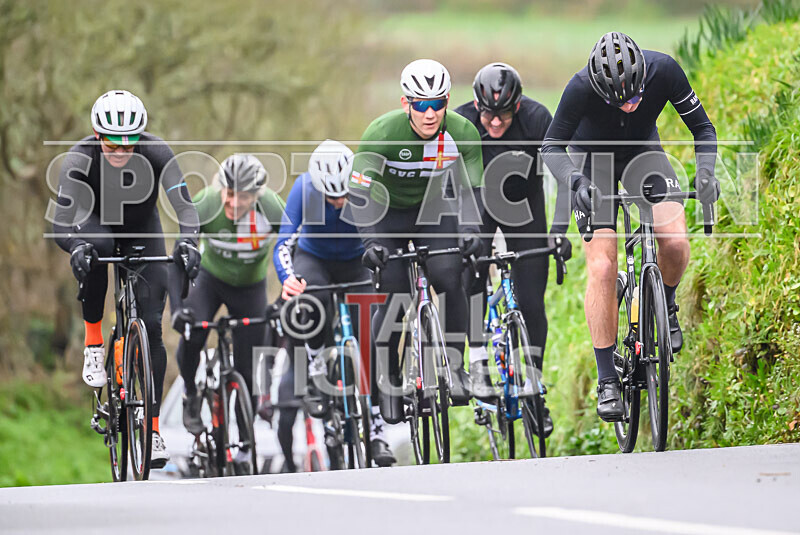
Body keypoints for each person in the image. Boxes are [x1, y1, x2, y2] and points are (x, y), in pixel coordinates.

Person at [541, 32, 719, 421]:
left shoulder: (664, 70)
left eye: (635, 96)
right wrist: (576, 182)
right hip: (592, 163)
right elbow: (551, 146)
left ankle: (666, 305)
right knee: (603, 266)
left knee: (674, 241)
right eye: (618, 100)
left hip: (643, 152)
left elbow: (703, 129)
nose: (629, 105)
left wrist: (705, 173)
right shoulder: (580, 87)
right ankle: (607, 379)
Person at [52, 90, 201, 468]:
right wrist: (76, 248)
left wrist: (189, 242)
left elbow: (185, 207)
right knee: (96, 247)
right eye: (112, 144)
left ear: (140, 137)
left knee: (151, 326)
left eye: (128, 143)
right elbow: (59, 223)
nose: (120, 150)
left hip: (141, 230)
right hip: (96, 224)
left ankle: (151, 429)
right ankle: (94, 341)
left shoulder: (157, 152)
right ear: (96, 135)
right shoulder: (80, 157)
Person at [347, 59, 484, 425]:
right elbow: (358, 196)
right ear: (405, 103)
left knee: (451, 275)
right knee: (394, 299)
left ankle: (454, 368)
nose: (429, 113)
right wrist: (370, 243)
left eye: (437, 103)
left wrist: (471, 231)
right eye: (420, 104)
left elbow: (472, 192)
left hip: (431, 210)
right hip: (385, 213)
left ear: (447, 101)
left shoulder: (463, 132)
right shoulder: (382, 133)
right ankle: (389, 381)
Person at [454, 62, 571, 437]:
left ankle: (533, 387)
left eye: (503, 116)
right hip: (476, 206)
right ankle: (477, 360)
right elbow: (446, 182)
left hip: (525, 208)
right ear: (476, 106)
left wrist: (558, 230)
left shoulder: (538, 118)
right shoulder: (461, 123)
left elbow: (564, 174)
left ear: (517, 107)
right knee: (470, 272)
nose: (495, 124)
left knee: (532, 303)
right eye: (488, 115)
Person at [273, 140, 397, 468]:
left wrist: (380, 254)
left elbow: (382, 230)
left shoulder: (364, 184)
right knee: (310, 302)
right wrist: (287, 276)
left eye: (343, 194)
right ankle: (316, 364)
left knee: (369, 337)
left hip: (356, 260)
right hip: (315, 258)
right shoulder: (303, 188)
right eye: (332, 197)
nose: (340, 202)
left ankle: (376, 430)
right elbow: (284, 241)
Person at [171, 154, 285, 471]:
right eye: (229, 193)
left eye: (244, 196)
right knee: (193, 333)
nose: (234, 202)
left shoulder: (272, 208)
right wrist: (178, 309)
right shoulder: (206, 203)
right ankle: (191, 394)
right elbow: (180, 257)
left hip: (251, 288)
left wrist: (284, 297)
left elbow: (294, 246)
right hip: (210, 282)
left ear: (257, 194)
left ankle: (246, 440)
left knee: (247, 371)